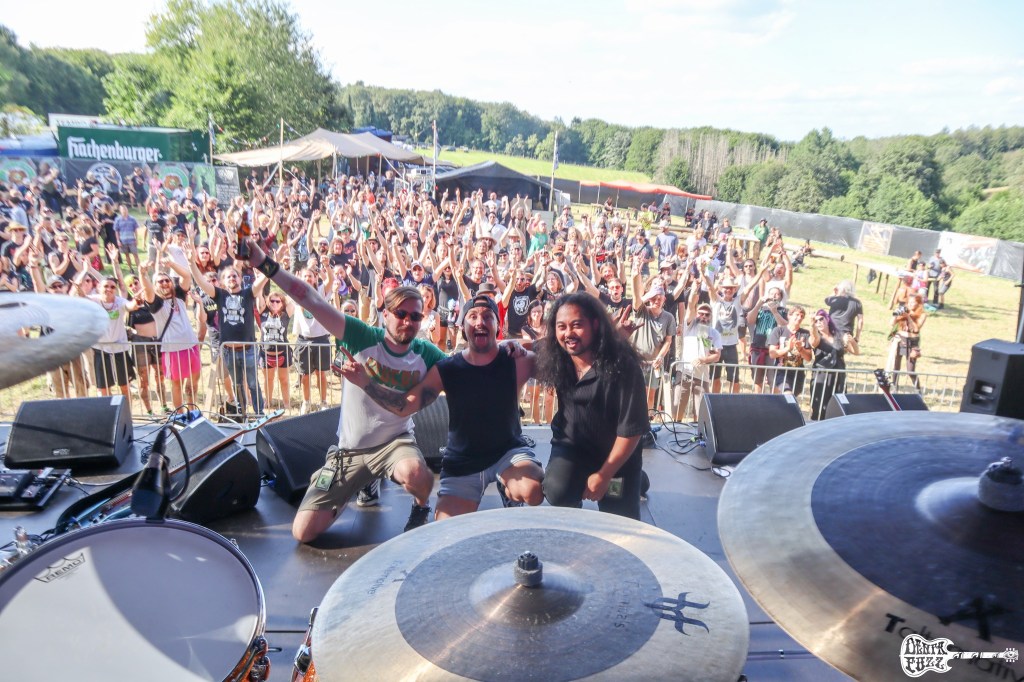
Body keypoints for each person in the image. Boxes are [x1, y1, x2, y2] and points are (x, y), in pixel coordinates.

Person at [243, 240, 440, 542]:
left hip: (395, 443)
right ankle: (353, 485)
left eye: (416, 316)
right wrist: (264, 263)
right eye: (401, 313)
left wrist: (509, 351)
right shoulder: (361, 336)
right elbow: (310, 299)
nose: (408, 321)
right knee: (303, 532)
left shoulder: (426, 354)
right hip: (350, 450)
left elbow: (465, 367)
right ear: (385, 314)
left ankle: (421, 506)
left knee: (416, 474)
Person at [339, 293, 544, 519]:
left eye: (488, 316)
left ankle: (509, 489)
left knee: (532, 491)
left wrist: (522, 343)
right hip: (463, 461)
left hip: (507, 453)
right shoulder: (448, 369)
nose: (480, 322)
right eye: (473, 316)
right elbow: (404, 406)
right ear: (462, 326)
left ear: (498, 325)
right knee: (445, 528)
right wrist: (366, 384)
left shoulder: (517, 360)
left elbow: (557, 351)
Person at [536, 293, 650, 520]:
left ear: (595, 325)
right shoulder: (558, 357)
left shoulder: (624, 366)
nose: (568, 333)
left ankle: (637, 480)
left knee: (621, 524)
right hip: (573, 449)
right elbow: (526, 345)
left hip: (616, 458)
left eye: (577, 325)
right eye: (561, 327)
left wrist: (604, 475)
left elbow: (631, 431)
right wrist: (509, 346)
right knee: (558, 491)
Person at [189, 251, 268, 417]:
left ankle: (259, 414)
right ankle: (242, 415)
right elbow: (201, 281)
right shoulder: (219, 295)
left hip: (248, 350)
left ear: (240, 279)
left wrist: (272, 261)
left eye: (235, 276)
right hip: (229, 351)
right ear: (223, 282)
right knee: (237, 384)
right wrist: (191, 263)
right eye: (228, 277)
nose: (232, 278)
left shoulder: (248, 293)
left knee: (252, 383)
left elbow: (265, 277)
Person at [808, 310, 859, 420]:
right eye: (816, 321)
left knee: (838, 405)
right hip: (822, 375)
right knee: (820, 407)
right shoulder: (816, 336)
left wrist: (852, 341)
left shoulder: (838, 336)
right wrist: (812, 325)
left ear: (827, 319)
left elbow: (856, 352)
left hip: (838, 376)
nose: (819, 322)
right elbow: (814, 340)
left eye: (821, 319)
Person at [768, 304, 812, 396]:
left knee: (792, 398)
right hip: (781, 371)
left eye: (802, 316)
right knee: (788, 394)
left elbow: (808, 358)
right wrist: (787, 348)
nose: (799, 318)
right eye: (797, 315)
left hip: (798, 373)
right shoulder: (778, 331)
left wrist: (800, 349)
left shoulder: (805, 334)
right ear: (789, 315)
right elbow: (772, 354)